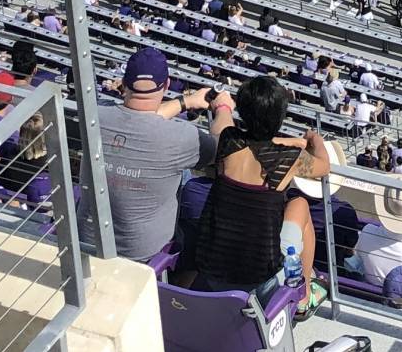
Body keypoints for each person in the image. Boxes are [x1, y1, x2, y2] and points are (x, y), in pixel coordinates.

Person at [177, 75, 331, 297]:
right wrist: (313, 139)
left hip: (211, 265)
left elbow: (224, 121)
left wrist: (222, 104)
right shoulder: (291, 158)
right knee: (299, 204)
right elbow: (323, 166)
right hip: (258, 274)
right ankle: (303, 294)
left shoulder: (228, 140)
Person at [101, 47, 233, 263]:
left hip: (85, 241)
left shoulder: (95, 116)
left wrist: (185, 102)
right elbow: (224, 148)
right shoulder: (180, 137)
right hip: (145, 257)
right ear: (167, 85)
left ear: (123, 83)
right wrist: (224, 108)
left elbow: (139, 117)